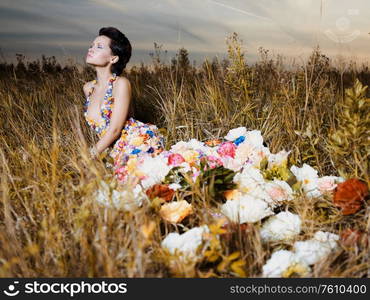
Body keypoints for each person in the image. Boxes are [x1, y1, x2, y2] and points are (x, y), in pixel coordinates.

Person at [83, 26, 165, 183]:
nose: (91, 49)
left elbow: (114, 130)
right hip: (114, 150)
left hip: (137, 141)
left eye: (99, 47)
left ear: (113, 58)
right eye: (92, 45)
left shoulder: (121, 84)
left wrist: (89, 156)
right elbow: (101, 129)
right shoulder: (88, 88)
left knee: (138, 185)